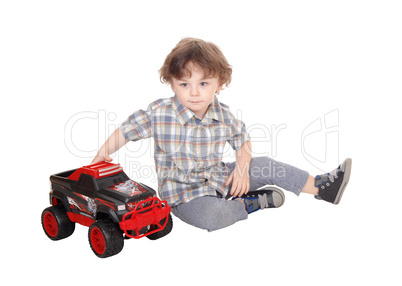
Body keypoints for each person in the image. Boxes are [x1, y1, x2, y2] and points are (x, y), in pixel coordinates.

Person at [92, 37, 352, 232]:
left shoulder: (223, 114)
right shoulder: (159, 114)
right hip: (185, 196)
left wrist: (241, 168)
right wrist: (103, 153)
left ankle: (321, 187)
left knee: (267, 165)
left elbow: (243, 141)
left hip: (221, 177)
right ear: (172, 83)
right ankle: (250, 204)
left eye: (203, 83)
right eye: (184, 84)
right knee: (212, 218)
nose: (194, 93)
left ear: (220, 83)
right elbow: (126, 130)